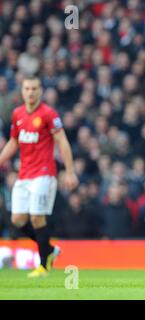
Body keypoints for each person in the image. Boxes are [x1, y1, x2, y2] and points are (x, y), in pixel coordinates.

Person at [0, 76, 79, 277]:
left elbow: (62, 142)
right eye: (27, 88)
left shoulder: (48, 114)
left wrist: (69, 172)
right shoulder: (17, 114)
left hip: (44, 174)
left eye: (34, 88)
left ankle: (43, 265)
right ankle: (49, 249)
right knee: (17, 219)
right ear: (22, 91)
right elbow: (13, 142)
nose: (31, 92)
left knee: (37, 217)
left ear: (40, 91)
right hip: (24, 174)